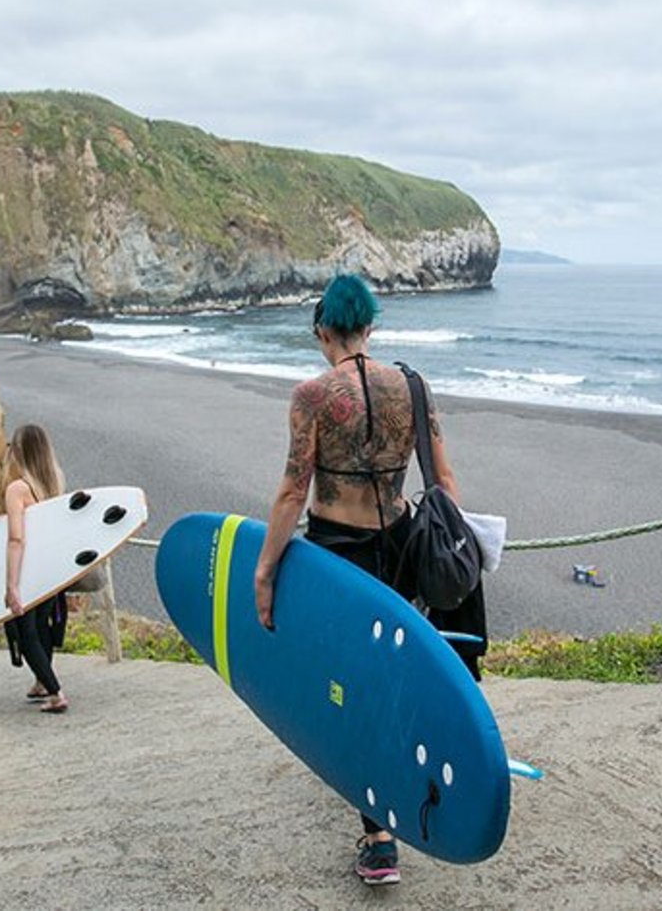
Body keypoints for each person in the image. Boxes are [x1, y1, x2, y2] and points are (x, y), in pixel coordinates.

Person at [253, 273, 482, 887]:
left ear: (322, 330)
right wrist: (457, 550)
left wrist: (265, 570)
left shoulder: (311, 395)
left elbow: (291, 489)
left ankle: (380, 836)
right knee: (395, 673)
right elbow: (444, 479)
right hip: (403, 544)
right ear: (371, 326)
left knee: (347, 685)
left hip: (338, 553)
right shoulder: (411, 386)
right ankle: (420, 778)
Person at [0, 424, 69, 713]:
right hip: (50, 570)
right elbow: (35, 521)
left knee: (25, 631)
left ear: (18, 452)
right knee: (41, 627)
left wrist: (11, 586)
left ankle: (56, 694)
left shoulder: (17, 488)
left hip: (28, 570)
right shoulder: (54, 481)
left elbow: (17, 538)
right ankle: (41, 684)